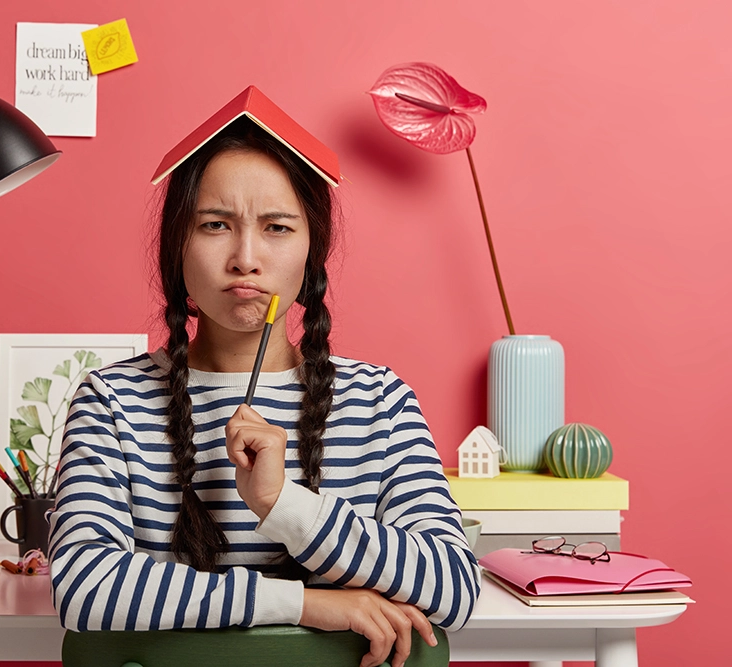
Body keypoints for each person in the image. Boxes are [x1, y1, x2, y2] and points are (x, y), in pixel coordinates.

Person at [49, 88, 480, 667]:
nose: (245, 257)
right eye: (214, 225)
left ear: (312, 252)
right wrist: (304, 604)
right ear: (177, 246)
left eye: (277, 228)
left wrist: (285, 506)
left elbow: (453, 586)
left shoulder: (379, 402)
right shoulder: (111, 402)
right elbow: (84, 587)